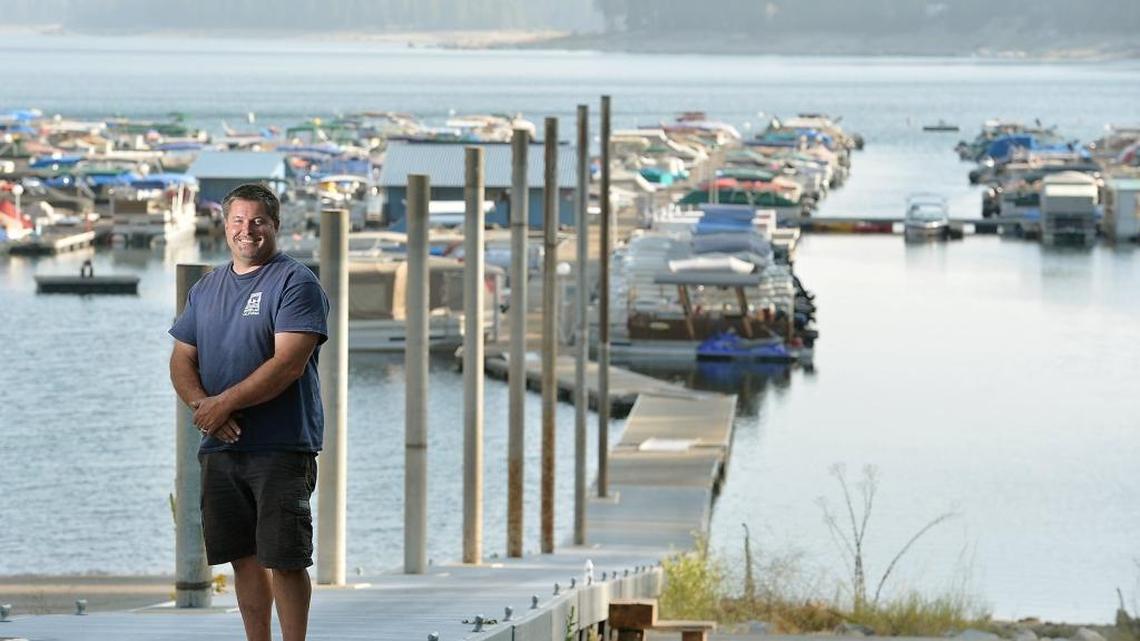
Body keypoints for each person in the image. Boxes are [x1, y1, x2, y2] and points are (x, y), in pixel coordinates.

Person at [169, 183, 328, 641]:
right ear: (224, 225)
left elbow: (288, 364)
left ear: (276, 226)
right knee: (243, 557)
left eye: (258, 221)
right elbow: (182, 358)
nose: (247, 230)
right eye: (238, 220)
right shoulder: (208, 287)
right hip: (220, 444)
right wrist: (205, 406)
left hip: (281, 445)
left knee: (286, 557)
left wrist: (224, 404)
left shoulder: (295, 282)